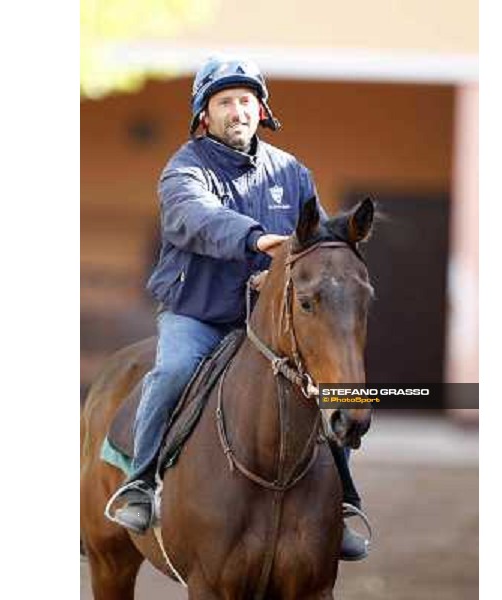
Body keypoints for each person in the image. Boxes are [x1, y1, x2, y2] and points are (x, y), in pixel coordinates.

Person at [109, 56, 369, 561]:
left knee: (329, 382)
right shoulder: (184, 169)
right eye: (225, 102)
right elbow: (196, 218)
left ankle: (342, 505)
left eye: (245, 101)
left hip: (272, 320)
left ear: (261, 110)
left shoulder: (293, 173)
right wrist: (257, 241)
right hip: (200, 313)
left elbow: (311, 244)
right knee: (174, 370)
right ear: (204, 115)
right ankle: (139, 483)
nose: (237, 110)